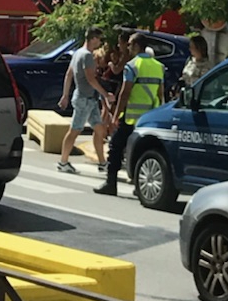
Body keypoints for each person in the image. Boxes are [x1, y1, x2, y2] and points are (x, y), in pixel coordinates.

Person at [94, 31, 166, 196]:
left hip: (130, 116)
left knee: (116, 147)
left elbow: (125, 93)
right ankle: (138, 187)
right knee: (141, 150)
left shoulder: (132, 66)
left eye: (130, 44)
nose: (128, 47)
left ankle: (110, 183)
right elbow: (161, 93)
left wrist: (115, 115)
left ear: (136, 46)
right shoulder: (158, 66)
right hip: (149, 117)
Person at [57, 26, 111, 173]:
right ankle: (63, 162)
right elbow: (91, 79)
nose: (100, 42)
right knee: (74, 130)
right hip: (84, 99)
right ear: (93, 39)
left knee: (99, 130)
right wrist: (106, 95)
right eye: (99, 39)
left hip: (89, 99)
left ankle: (102, 162)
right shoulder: (87, 56)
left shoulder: (77, 54)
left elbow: (69, 75)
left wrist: (65, 95)